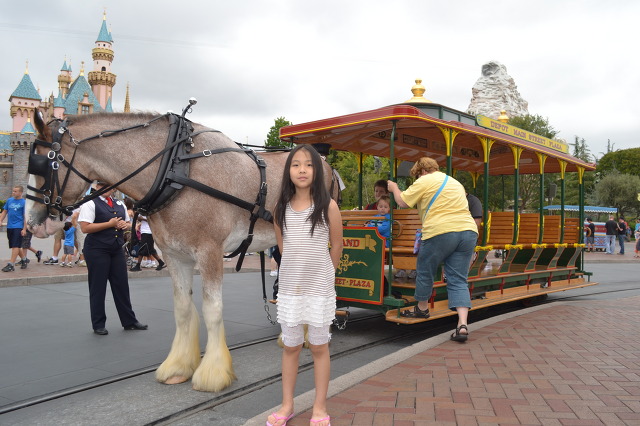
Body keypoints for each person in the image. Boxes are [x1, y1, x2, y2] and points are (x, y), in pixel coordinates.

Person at [267, 144, 342, 426]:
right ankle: (287, 406)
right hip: (290, 289)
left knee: (320, 346)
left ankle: (319, 407)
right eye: (296, 164)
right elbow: (283, 246)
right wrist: (295, 273)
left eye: (308, 165)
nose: (302, 170)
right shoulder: (280, 208)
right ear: (288, 171)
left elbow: (337, 245)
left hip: (319, 289)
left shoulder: (328, 207)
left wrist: (325, 274)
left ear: (317, 171)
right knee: (291, 346)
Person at [387, 157, 478, 342]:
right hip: (468, 232)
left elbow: (402, 202)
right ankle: (462, 324)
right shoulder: (455, 182)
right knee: (458, 279)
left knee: (425, 269)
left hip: (441, 231)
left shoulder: (424, 180)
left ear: (421, 171)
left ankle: (422, 308)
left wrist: (394, 188)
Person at [78, 181, 147, 335]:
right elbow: (85, 228)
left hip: (116, 248)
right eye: (101, 186)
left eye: (107, 186)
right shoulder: (90, 203)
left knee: (121, 285)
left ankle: (129, 320)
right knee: (98, 287)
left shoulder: (119, 203)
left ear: (114, 188)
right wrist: (109, 224)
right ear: (96, 187)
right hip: (97, 249)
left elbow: (128, 224)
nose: (104, 188)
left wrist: (125, 225)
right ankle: (98, 324)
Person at [1, 186, 28, 272]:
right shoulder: (9, 200)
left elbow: (25, 217)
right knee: (14, 245)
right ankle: (24, 260)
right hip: (10, 226)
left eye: (15, 191)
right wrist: (0, 220)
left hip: (18, 227)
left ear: (20, 193)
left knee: (15, 246)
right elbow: (5, 211)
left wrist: (24, 229)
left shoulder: (24, 202)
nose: (13, 193)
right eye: (13, 191)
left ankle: (11, 265)